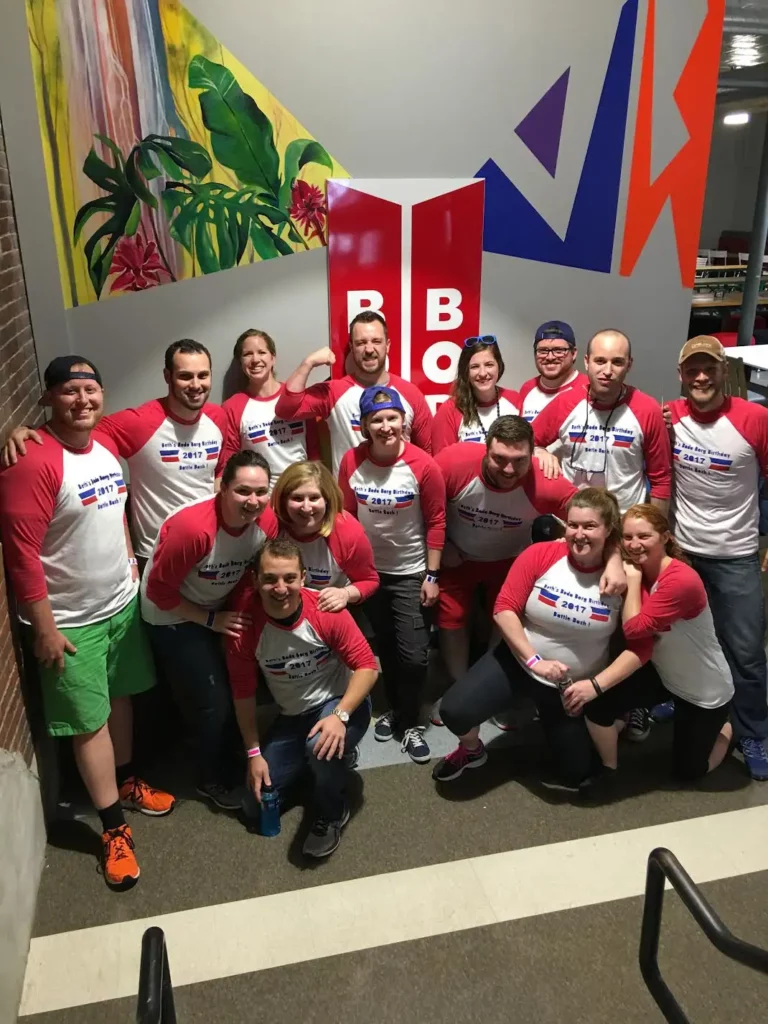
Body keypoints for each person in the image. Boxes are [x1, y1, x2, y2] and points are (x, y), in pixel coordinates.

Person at [0, 356, 174, 892]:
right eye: (70, 391)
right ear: (48, 398)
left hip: (119, 604)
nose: (83, 400)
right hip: (70, 624)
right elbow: (21, 556)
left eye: (91, 389)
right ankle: (113, 830)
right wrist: (45, 628)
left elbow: (116, 510)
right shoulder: (32, 461)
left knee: (119, 700)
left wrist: (129, 563)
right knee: (88, 723)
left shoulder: (102, 445)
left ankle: (125, 783)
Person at [432, 489, 643, 790]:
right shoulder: (541, 554)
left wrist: (595, 688)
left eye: (590, 526)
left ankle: (616, 717)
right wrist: (534, 660)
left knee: (576, 774)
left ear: (609, 529)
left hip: (572, 686)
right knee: (454, 710)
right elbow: (504, 609)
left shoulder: (624, 577)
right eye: (573, 525)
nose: (578, 534)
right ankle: (471, 750)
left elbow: (638, 643)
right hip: (519, 663)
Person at [2, 339, 228, 569]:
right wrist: (29, 432)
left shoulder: (218, 418)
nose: (196, 384)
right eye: (185, 376)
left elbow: (218, 474)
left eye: (203, 375)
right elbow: (74, 427)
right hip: (156, 553)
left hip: (207, 547)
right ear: (168, 377)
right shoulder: (139, 423)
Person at [225, 538, 378, 858]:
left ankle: (332, 811)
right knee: (253, 807)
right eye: (270, 579)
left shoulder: (324, 610)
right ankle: (321, 766)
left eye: (289, 578)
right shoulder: (245, 626)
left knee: (319, 747)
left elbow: (368, 667)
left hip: (341, 704)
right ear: (255, 580)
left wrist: (340, 716)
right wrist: (253, 753)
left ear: (303, 577)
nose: (281, 588)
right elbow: (243, 694)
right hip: (293, 716)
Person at [141, 451, 275, 809]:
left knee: (233, 686)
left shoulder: (267, 521)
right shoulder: (194, 529)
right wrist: (212, 620)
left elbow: (252, 572)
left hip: (215, 606)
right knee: (211, 702)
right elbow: (158, 592)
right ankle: (207, 777)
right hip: (171, 614)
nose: (253, 501)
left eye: (261, 492)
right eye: (243, 491)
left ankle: (230, 754)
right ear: (223, 489)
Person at [667, 335, 768, 780]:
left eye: (710, 368)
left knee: (746, 653)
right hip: (683, 554)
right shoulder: (670, 416)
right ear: (681, 375)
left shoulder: (755, 418)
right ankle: (687, 705)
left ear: (725, 371)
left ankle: (754, 732)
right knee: (685, 644)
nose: (701, 377)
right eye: (693, 370)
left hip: (736, 556)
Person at [579, 504, 733, 782]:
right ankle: (608, 769)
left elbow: (634, 628)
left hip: (703, 691)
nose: (634, 544)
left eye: (644, 536)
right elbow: (603, 545)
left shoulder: (680, 579)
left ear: (665, 537)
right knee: (599, 707)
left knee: (688, 773)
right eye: (628, 537)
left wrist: (633, 578)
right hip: (663, 675)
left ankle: (730, 730)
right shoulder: (638, 565)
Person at [433, 416, 585, 693]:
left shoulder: (545, 482)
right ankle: (459, 687)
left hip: (509, 561)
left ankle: (485, 688)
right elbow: (422, 505)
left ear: (532, 454)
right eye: (499, 458)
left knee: (505, 619)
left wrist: (612, 559)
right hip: (458, 557)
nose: (509, 469)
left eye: (519, 460)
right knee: (451, 619)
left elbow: (592, 516)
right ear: (485, 449)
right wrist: (442, 544)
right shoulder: (454, 462)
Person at [338, 387, 446, 763]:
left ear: (403, 421)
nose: (385, 426)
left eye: (392, 418)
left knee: (414, 656)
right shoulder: (351, 461)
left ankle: (410, 721)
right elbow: (345, 516)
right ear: (364, 425)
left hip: (411, 571)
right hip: (369, 574)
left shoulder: (423, 465)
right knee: (384, 646)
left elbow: (436, 521)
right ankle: (399, 712)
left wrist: (432, 575)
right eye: (376, 420)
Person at [532, 329, 672, 516]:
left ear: (629, 365)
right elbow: (524, 441)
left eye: (617, 362)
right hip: (572, 520)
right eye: (600, 361)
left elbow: (661, 480)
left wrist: (655, 529)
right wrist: (538, 451)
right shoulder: (565, 402)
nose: (607, 371)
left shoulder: (648, 409)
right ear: (586, 362)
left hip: (623, 523)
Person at [275, 310, 434, 474]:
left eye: (376, 341)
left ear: (387, 345)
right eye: (361, 343)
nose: (369, 349)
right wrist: (308, 363)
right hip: (349, 490)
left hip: (401, 489)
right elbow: (285, 409)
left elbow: (428, 453)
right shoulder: (333, 392)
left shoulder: (410, 394)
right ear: (352, 347)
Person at [271, 460, 379, 609]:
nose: (306, 507)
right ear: (283, 500)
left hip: (329, 610)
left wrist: (345, 594)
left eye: (314, 498)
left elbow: (369, 580)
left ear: (327, 499)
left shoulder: (347, 531)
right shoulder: (272, 525)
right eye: (297, 498)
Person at [220, 329, 320, 489]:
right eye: (247, 354)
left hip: (301, 493)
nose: (255, 359)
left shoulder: (295, 396)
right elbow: (230, 462)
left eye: (262, 352)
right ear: (240, 362)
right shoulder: (232, 408)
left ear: (273, 358)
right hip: (259, 497)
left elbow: (313, 450)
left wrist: (317, 487)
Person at [431, 335, 520, 454]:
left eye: (489, 365)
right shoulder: (450, 410)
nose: (482, 373)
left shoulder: (515, 400)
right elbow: (441, 461)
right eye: (475, 367)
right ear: (466, 371)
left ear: (499, 366)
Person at [519, 320, 588, 424]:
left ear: (573, 354)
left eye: (558, 351)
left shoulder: (589, 389)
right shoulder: (527, 388)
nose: (550, 357)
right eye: (543, 351)